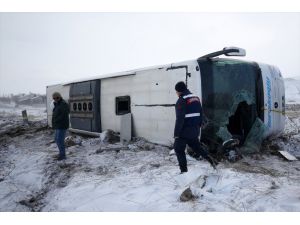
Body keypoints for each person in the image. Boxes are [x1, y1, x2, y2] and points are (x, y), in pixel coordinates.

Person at [174, 81, 217, 173]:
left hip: (184, 131)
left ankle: (183, 171)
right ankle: (209, 158)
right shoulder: (196, 98)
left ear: (179, 91)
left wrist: (176, 134)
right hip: (194, 130)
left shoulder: (181, 100)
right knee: (196, 147)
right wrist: (199, 126)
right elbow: (201, 114)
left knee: (178, 149)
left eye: (176, 91)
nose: (176, 93)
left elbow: (180, 119)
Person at [52, 92, 69, 160]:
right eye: (54, 98)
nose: (55, 99)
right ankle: (61, 153)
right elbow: (55, 114)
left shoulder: (63, 104)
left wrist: (56, 120)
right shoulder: (56, 104)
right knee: (56, 139)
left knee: (60, 140)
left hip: (62, 125)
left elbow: (64, 115)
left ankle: (62, 156)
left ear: (60, 97)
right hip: (57, 125)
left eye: (57, 98)